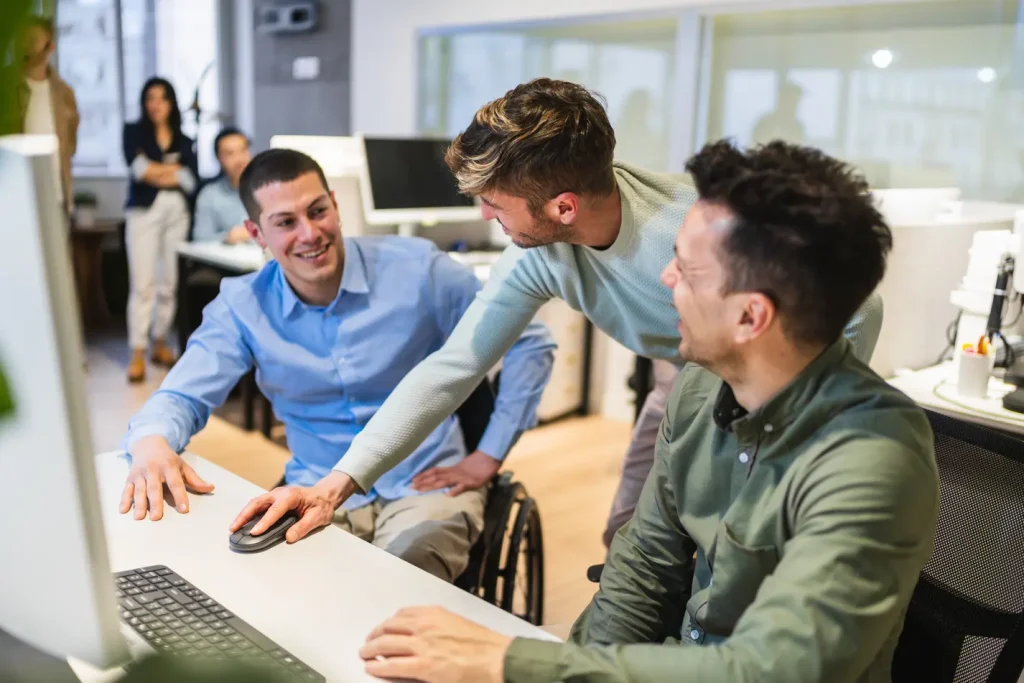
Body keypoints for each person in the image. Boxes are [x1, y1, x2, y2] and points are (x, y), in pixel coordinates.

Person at [357, 139, 939, 683]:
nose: (664, 280)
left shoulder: (872, 458)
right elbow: (643, 571)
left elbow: (769, 669)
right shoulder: (694, 393)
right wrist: (566, 665)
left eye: (684, 269)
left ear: (749, 317)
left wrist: (514, 663)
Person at [225, 77, 885, 545]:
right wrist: (338, 483)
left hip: (756, 373)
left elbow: (863, 305)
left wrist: (796, 409)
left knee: (731, 545)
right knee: (631, 534)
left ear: (562, 207)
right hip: (679, 369)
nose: (485, 215)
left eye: (496, 202)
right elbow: (454, 365)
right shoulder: (540, 251)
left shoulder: (698, 232)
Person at [118, 149, 556, 582]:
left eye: (317, 211)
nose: (309, 233)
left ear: (336, 206)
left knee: (398, 583)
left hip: (426, 484)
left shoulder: (418, 270)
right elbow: (180, 395)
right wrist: (152, 441)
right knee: (264, 587)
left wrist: (488, 454)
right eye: (286, 223)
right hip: (315, 486)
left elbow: (530, 342)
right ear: (256, 233)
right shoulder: (243, 305)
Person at [122, 76, 198, 383]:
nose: (156, 104)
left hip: (177, 212)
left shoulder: (184, 138)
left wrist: (162, 171)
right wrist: (175, 171)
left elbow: (191, 181)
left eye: (162, 98)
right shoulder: (133, 132)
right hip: (144, 211)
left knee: (170, 281)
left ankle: (160, 342)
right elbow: (140, 172)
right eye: (150, 98)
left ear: (171, 102)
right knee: (143, 284)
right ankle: (137, 351)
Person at [15, 15, 79, 213]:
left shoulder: (64, 94)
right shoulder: (7, 87)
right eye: (23, 39)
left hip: (55, 194)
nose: (27, 46)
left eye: (34, 40)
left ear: (50, 46)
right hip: (15, 194)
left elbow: (70, 145)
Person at [192, 127, 252, 244]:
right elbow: (200, 238)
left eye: (243, 150)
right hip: (226, 259)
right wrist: (228, 237)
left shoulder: (270, 190)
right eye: (230, 154)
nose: (239, 159)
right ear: (219, 159)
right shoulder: (209, 195)